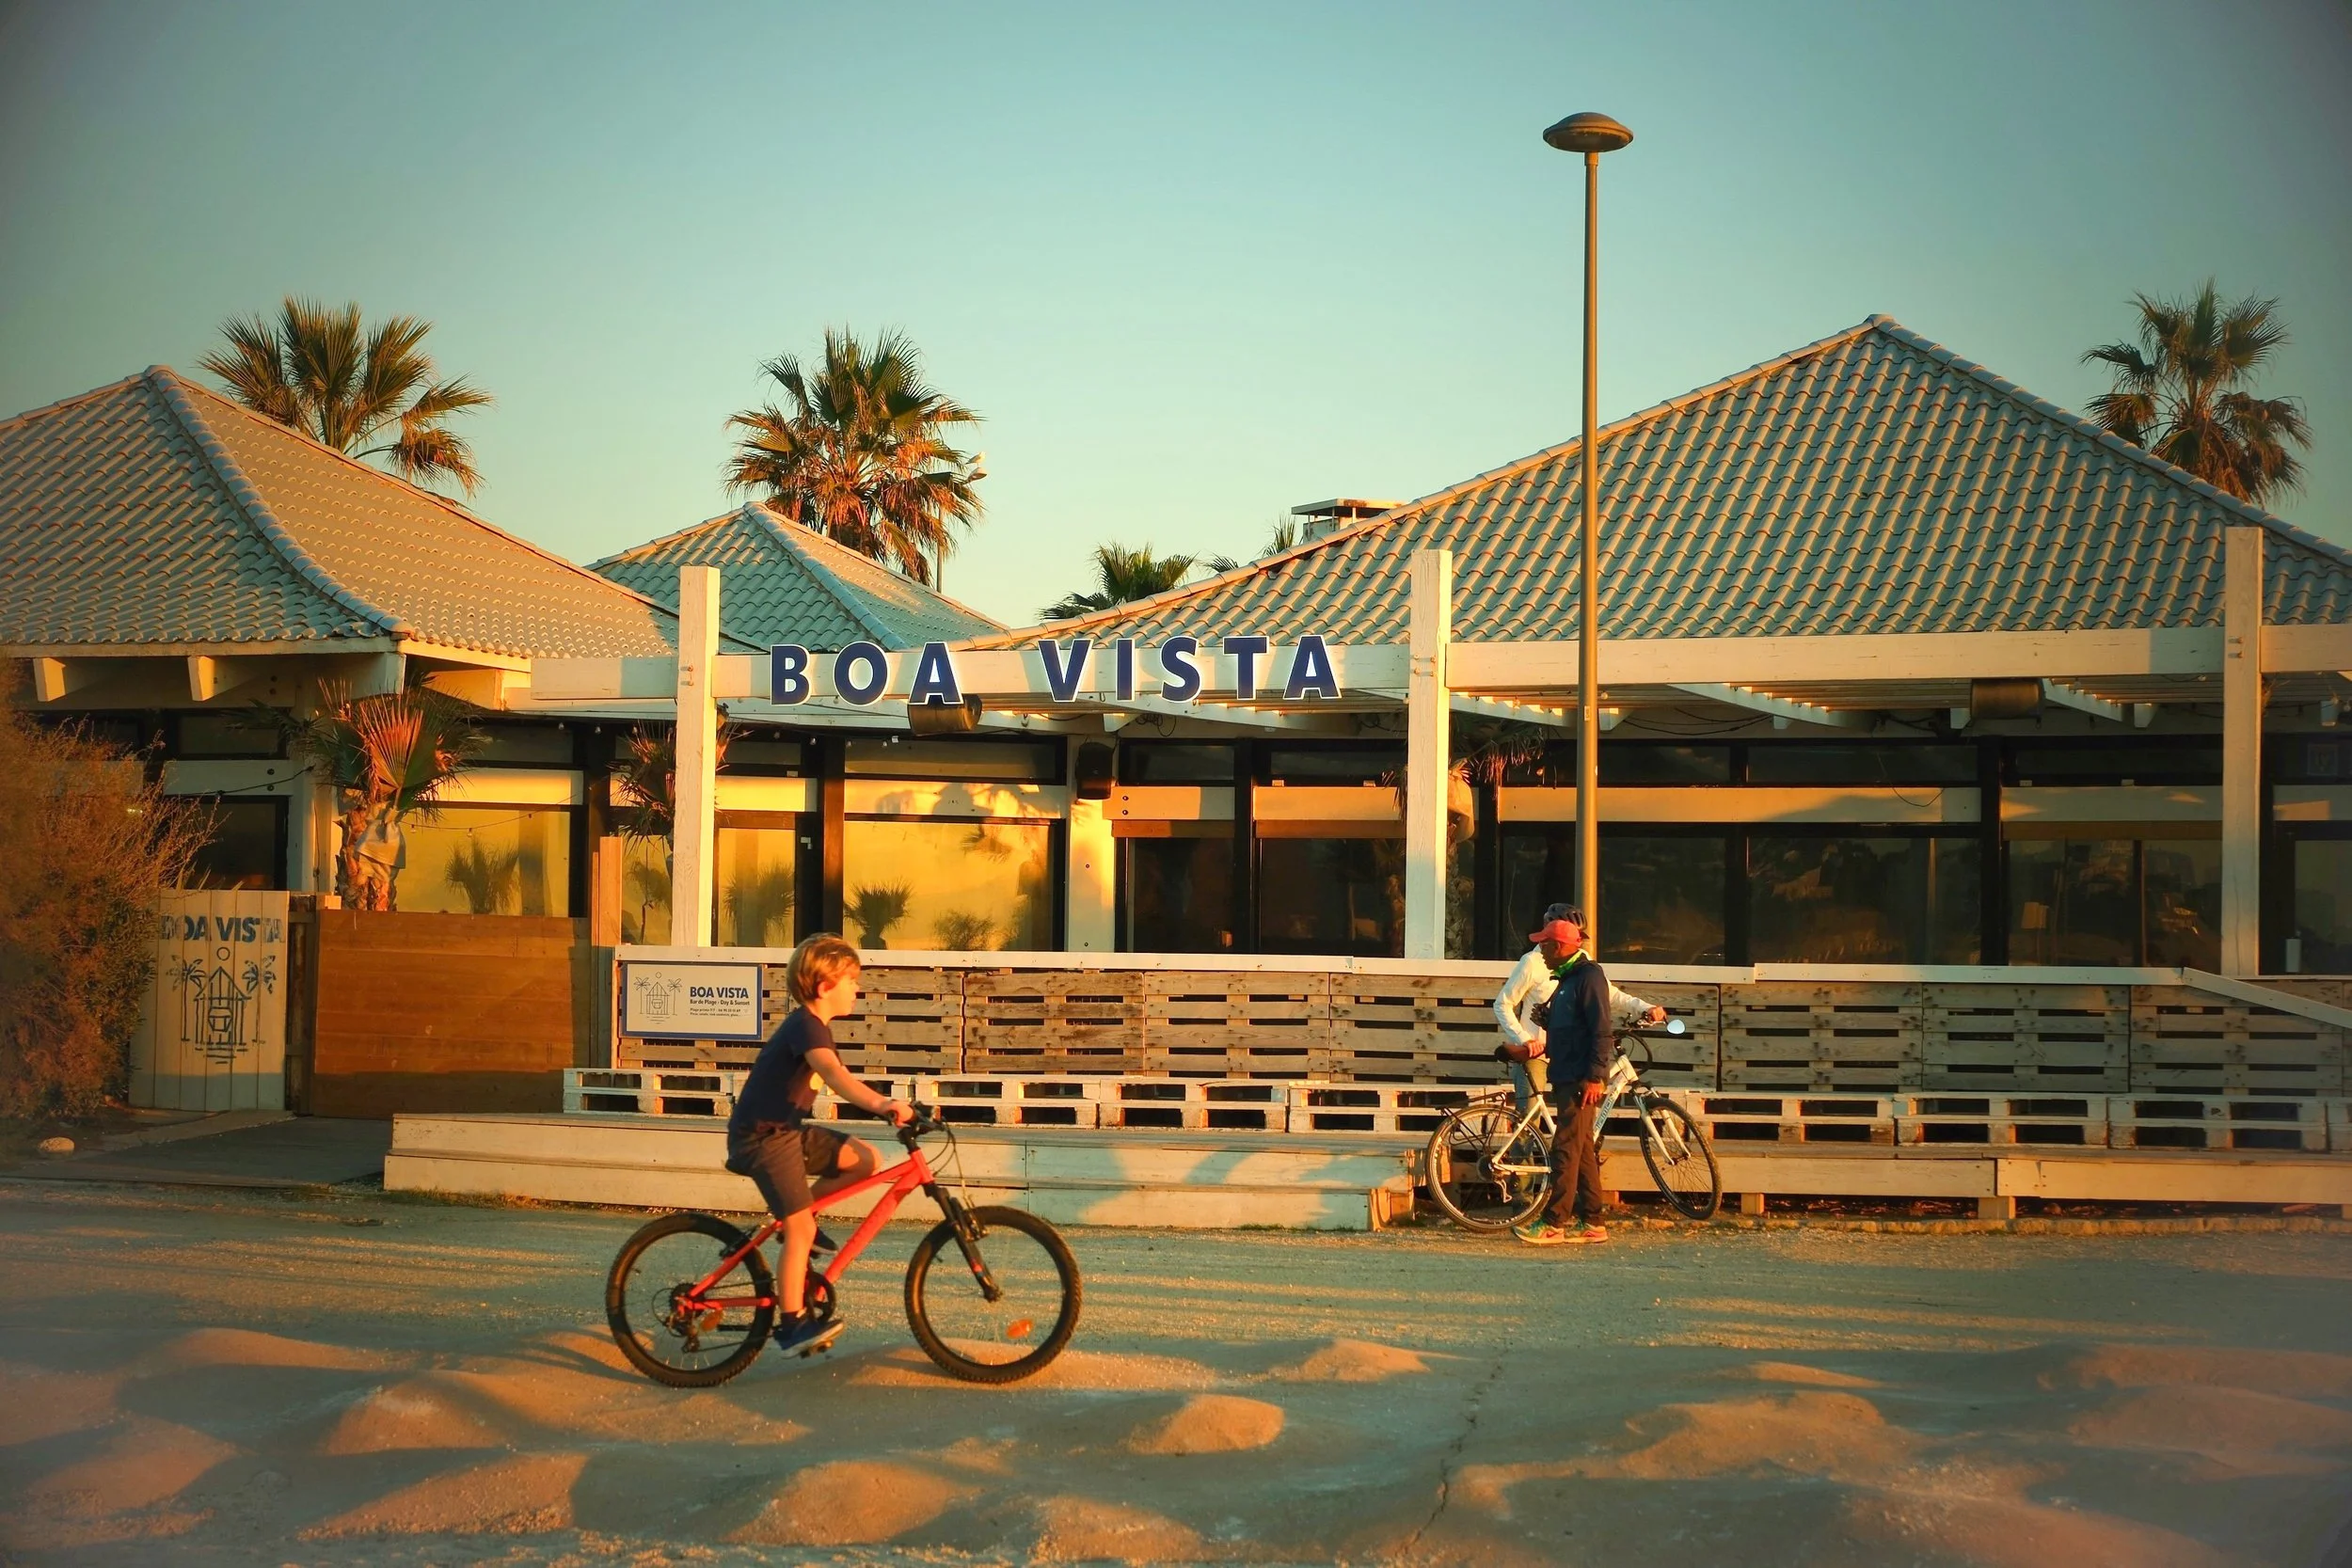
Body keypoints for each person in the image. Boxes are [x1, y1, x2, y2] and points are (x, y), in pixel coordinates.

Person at [724, 933, 913, 1354]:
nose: (858, 989)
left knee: (865, 1159)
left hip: (788, 1131)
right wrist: (883, 1103)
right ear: (825, 987)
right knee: (801, 1227)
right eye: (852, 981)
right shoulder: (806, 1026)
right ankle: (792, 1324)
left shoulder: (815, 1026)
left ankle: (798, 1223)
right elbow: (832, 1074)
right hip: (762, 1137)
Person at [1493, 902, 1668, 1117]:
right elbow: (1502, 1003)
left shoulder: (1584, 962)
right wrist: (1524, 1039)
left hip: (1569, 1053)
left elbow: (1609, 993)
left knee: (1575, 1115)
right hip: (1537, 1053)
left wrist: (1644, 1007)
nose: (1575, 941)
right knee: (1530, 1119)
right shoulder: (1532, 962)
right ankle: (1526, 1151)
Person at [1514, 907, 1613, 1246]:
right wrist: (1538, 1039)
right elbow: (1570, 1030)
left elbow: (1601, 1031)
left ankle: (1554, 1222)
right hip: (1568, 1072)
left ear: (1559, 946)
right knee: (1582, 1148)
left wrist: (1596, 1077)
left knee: (1566, 1148)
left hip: (1580, 1078)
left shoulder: (1588, 978)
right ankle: (1594, 1221)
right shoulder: (1567, 979)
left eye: (1544, 945)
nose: (1540, 951)